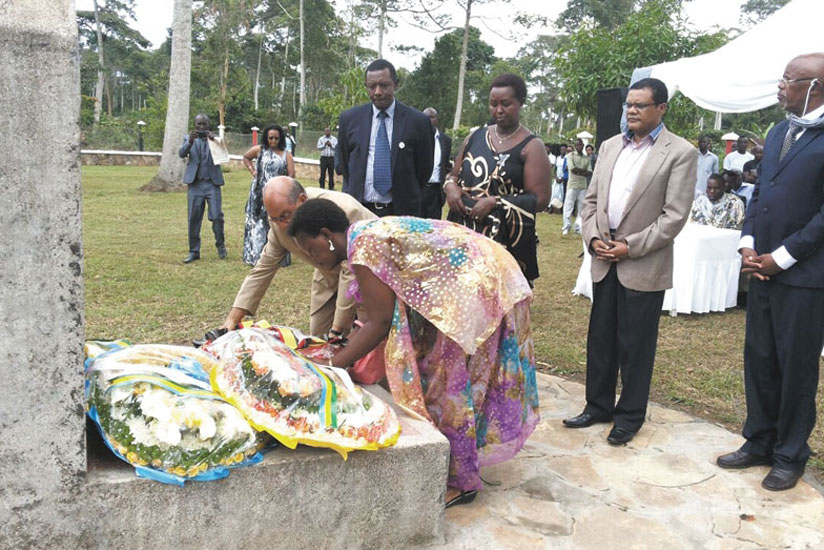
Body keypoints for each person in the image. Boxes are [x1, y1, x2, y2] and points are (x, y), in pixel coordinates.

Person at [286, 199, 540, 508]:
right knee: (438, 371)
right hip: (480, 276)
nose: (312, 258)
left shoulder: (364, 246)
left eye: (311, 250)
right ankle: (456, 462)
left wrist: (329, 367)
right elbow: (377, 315)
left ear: (326, 235)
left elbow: (379, 323)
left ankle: (461, 482)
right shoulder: (363, 237)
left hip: (482, 281)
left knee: (449, 382)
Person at [563, 78, 696, 445]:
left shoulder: (680, 152)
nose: (632, 111)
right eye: (629, 105)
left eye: (640, 105)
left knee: (635, 345)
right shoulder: (608, 147)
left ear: (661, 109)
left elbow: (674, 217)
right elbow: (590, 202)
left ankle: (630, 416)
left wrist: (629, 246)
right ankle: (597, 406)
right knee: (600, 339)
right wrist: (591, 237)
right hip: (604, 257)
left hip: (642, 263)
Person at [716, 53, 824, 491]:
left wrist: (783, 256)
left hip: (803, 275)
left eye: (788, 80)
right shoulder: (779, 130)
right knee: (759, 358)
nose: (780, 86)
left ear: (814, 87)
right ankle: (758, 439)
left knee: (796, 365)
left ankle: (790, 452)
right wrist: (748, 244)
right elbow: (760, 191)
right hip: (760, 267)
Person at [220, 176, 375, 338]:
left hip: (368, 274)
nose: (282, 225)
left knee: (365, 336)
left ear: (302, 200)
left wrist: (337, 330)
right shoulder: (278, 223)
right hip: (327, 276)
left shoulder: (345, 210)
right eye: (275, 219)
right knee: (318, 337)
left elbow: (351, 270)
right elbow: (262, 269)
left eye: (285, 216)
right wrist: (232, 319)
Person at [444, 73, 551, 284]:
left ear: (520, 103)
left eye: (506, 104)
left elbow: (539, 200)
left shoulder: (532, 146)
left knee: (496, 302)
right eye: (493, 104)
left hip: (503, 240)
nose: (498, 110)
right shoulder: (475, 137)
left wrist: (495, 202)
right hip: (464, 233)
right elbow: (453, 175)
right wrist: (450, 188)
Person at [337, 59, 434, 217]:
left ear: (395, 84)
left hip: (401, 214)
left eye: (384, 85)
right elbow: (345, 163)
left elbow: (424, 169)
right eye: (372, 86)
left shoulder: (418, 122)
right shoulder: (350, 119)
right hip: (359, 211)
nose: (377, 92)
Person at [241, 124, 296, 266]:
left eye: (276, 138)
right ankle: (255, 256)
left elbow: (291, 174)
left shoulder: (286, 154)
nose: (273, 141)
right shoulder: (259, 150)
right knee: (257, 223)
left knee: (276, 224)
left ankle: (279, 258)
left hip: (277, 194)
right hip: (258, 193)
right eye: (270, 138)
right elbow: (246, 157)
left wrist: (285, 186)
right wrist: (253, 171)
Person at [179, 113, 226, 264]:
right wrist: (190, 142)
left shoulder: (216, 139)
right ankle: (194, 251)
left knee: (217, 216)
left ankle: (220, 245)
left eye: (204, 124)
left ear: (208, 125)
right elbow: (182, 154)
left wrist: (215, 141)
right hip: (195, 184)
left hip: (212, 184)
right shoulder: (189, 139)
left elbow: (224, 156)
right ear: (195, 125)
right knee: (193, 218)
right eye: (198, 124)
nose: (201, 127)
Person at [421, 107, 453, 219]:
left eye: (431, 117)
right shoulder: (415, 138)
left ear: (436, 119)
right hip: (420, 190)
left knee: (434, 228)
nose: (428, 120)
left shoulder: (446, 141)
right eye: (425, 117)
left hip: (436, 192)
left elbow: (446, 164)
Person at [562, 138, 592, 235]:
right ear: (575, 146)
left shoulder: (586, 158)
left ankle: (578, 228)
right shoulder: (570, 155)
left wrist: (579, 172)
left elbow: (589, 172)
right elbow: (572, 169)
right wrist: (582, 171)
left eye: (580, 145)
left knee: (581, 208)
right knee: (568, 206)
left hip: (583, 186)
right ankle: (566, 227)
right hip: (572, 185)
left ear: (583, 145)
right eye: (577, 145)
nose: (579, 146)